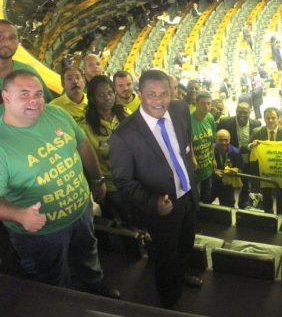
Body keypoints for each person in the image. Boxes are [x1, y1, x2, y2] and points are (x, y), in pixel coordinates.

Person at [0, 70, 119, 298]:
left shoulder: (57, 114)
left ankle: (95, 284)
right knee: (51, 276)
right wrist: (20, 215)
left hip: (81, 211)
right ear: (6, 97)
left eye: (37, 93)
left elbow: (82, 144)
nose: (34, 100)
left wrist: (96, 179)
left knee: (87, 252)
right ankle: (63, 300)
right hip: (42, 232)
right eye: (24, 94)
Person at [109, 70, 201, 309]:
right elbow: (124, 181)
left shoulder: (180, 109)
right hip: (162, 207)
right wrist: (153, 204)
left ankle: (180, 276)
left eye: (164, 94)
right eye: (151, 94)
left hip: (188, 196)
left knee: (185, 245)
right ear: (140, 95)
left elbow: (185, 142)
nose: (159, 100)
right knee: (165, 257)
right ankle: (169, 301)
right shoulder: (123, 135)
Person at [80, 76, 131, 223]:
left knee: (137, 221)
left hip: (132, 183)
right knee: (116, 224)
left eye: (110, 92)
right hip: (109, 188)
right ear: (92, 98)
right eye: (101, 95)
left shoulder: (125, 115)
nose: (107, 98)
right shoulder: (85, 127)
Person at [249, 107, 282, 213]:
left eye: (273, 118)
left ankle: (281, 216)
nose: (270, 121)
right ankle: (268, 217)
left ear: (279, 118)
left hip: (281, 170)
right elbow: (249, 146)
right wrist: (251, 145)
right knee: (266, 195)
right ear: (264, 119)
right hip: (264, 171)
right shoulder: (257, 132)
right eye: (267, 118)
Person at [217, 101, 261, 209]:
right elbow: (219, 140)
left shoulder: (256, 124)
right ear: (236, 111)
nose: (242, 114)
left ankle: (243, 205)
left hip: (248, 160)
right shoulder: (225, 122)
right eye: (239, 111)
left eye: (245, 112)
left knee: (246, 183)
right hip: (231, 161)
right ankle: (228, 206)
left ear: (250, 112)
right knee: (228, 187)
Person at [0, 19, 53, 102]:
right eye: (0, 36)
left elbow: (48, 105)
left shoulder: (29, 73)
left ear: (18, 43)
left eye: (12, 38)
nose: (7, 43)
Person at [191, 92, 216, 204]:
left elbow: (212, 141)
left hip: (207, 163)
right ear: (196, 103)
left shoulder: (210, 118)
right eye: (203, 103)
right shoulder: (188, 120)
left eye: (209, 103)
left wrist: (213, 158)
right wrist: (192, 157)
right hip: (194, 167)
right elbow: (187, 142)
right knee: (193, 196)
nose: (206, 106)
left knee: (206, 195)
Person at [210, 129, 243, 207]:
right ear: (215, 140)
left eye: (226, 140)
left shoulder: (235, 152)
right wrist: (213, 172)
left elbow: (241, 168)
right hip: (212, 183)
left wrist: (236, 170)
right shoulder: (210, 150)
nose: (224, 143)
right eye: (220, 140)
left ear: (230, 140)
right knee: (204, 203)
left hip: (227, 185)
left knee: (229, 206)